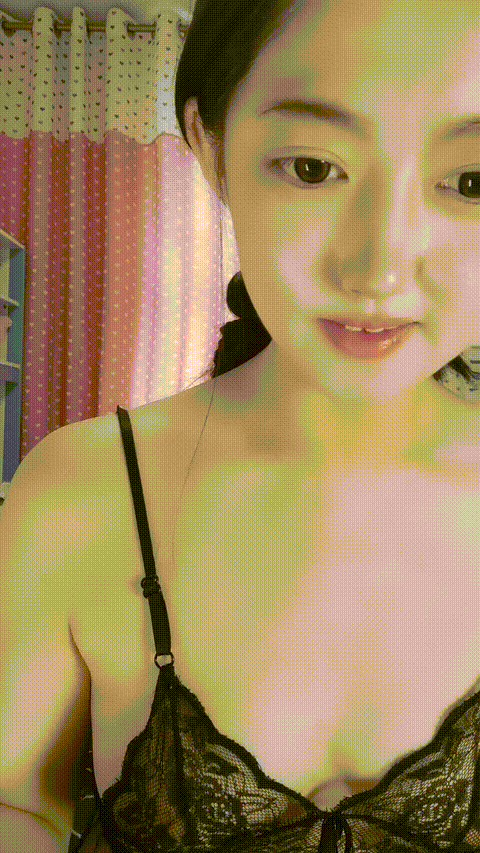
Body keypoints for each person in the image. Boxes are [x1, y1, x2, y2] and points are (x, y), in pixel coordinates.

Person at [1, 0, 479, 850]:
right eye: (312, 167)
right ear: (211, 148)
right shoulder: (82, 487)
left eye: (471, 182)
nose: (379, 266)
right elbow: (17, 802)